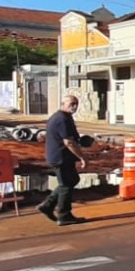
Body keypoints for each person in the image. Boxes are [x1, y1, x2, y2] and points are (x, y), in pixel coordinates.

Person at [37, 95, 88, 226]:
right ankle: (64, 215)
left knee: (72, 180)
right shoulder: (61, 119)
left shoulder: (65, 118)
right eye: (71, 104)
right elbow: (69, 142)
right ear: (63, 104)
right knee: (66, 185)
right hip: (60, 157)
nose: (74, 106)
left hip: (63, 157)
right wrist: (82, 157)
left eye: (76, 104)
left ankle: (48, 205)